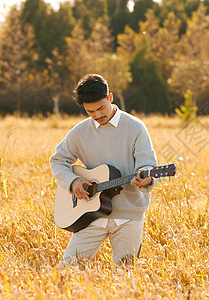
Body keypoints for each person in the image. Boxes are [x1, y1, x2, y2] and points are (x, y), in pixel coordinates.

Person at [50, 74, 157, 268]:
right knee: (66, 271)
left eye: (101, 108)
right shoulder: (79, 132)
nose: (98, 115)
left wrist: (146, 179)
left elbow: (147, 165)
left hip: (129, 215)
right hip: (91, 214)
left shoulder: (136, 128)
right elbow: (58, 161)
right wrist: (73, 181)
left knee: (127, 275)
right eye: (90, 111)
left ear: (110, 98)